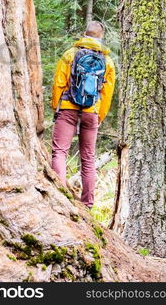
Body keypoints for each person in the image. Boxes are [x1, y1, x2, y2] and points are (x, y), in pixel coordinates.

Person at [51, 21, 116, 209]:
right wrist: (99, 116)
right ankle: (87, 204)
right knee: (88, 158)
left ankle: (60, 197)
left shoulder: (70, 55)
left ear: (84, 34)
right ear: (100, 37)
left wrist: (58, 107)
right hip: (92, 112)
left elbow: (58, 84)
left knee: (59, 152)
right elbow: (107, 94)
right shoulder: (107, 61)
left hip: (68, 108)